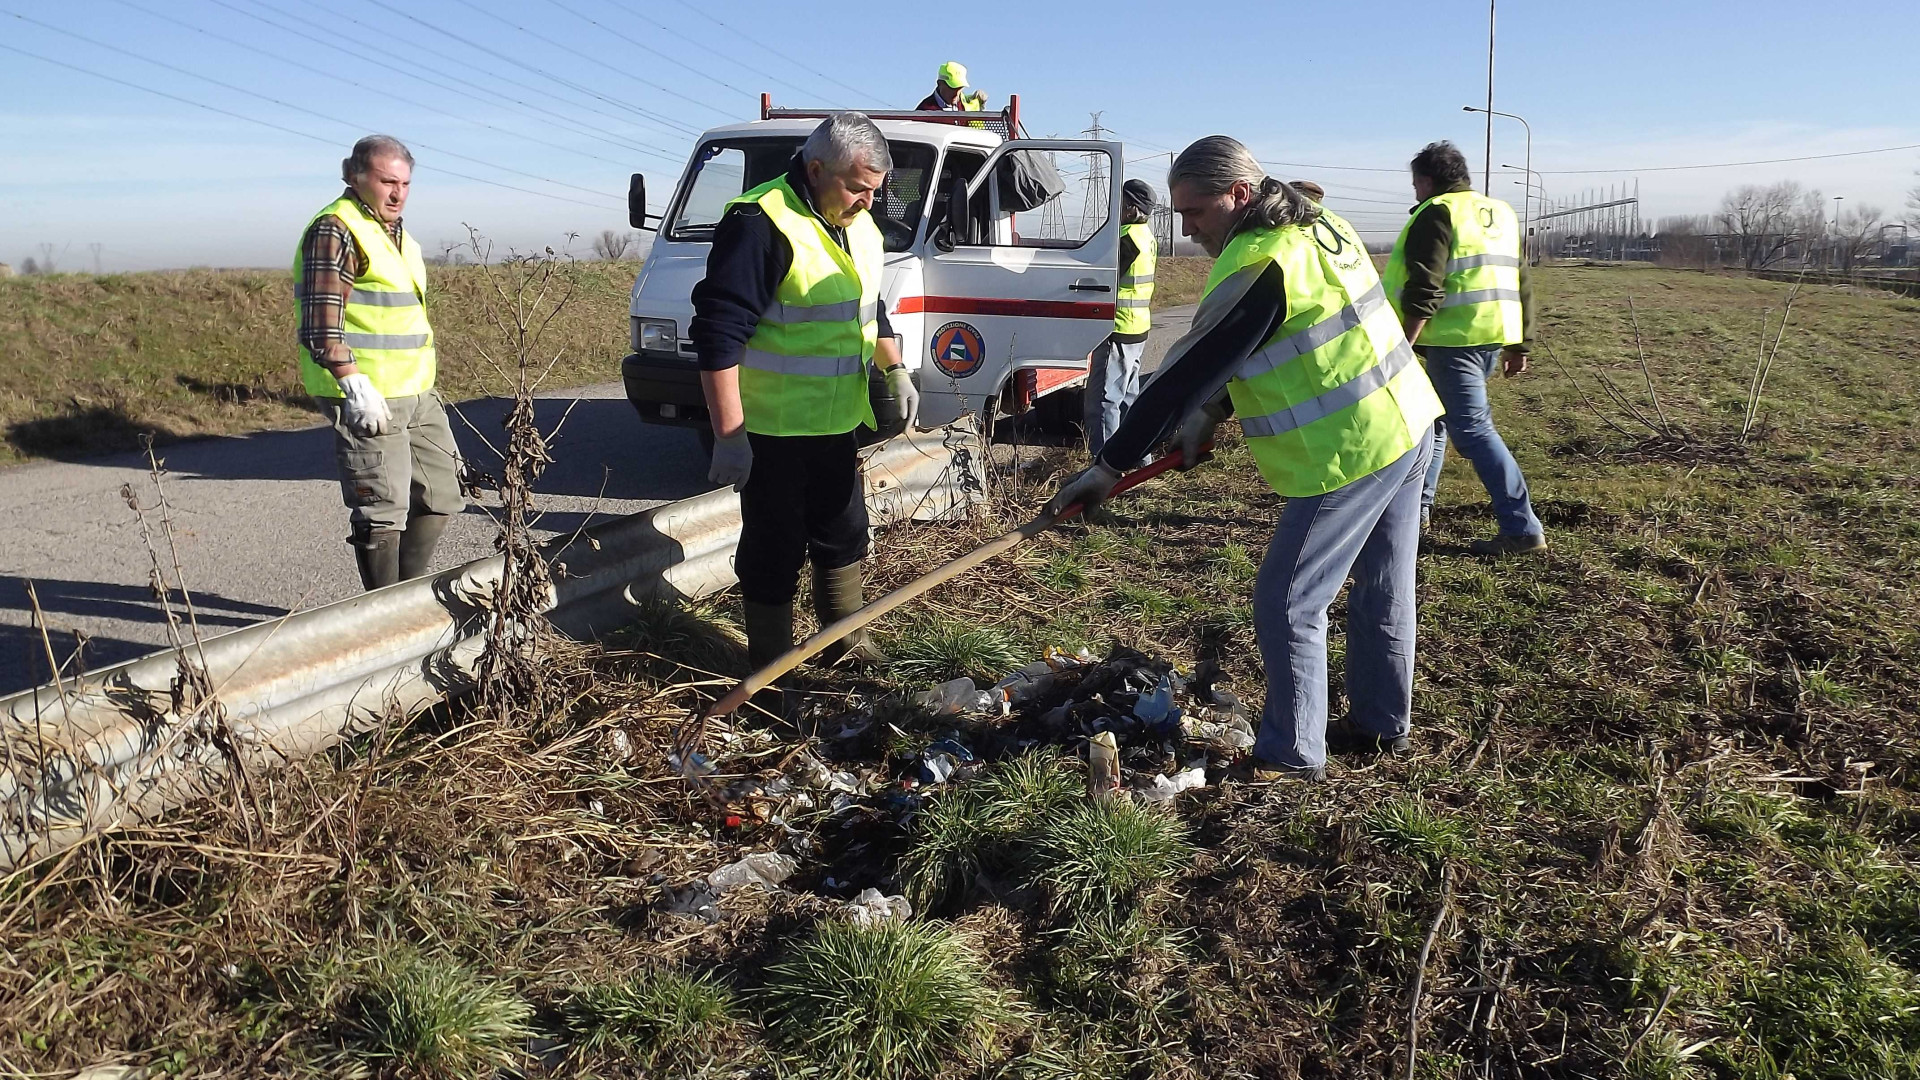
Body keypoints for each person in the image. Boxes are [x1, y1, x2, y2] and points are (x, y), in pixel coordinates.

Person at [1045, 136, 1442, 782]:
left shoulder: (1258, 261)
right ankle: (1378, 724)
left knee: (1288, 603)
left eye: (1195, 212)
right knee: (1383, 588)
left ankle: (1291, 758)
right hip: (1407, 420)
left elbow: (1183, 375)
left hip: (1352, 449)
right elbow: (1286, 340)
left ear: (1237, 194)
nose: (1187, 228)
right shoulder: (1316, 222)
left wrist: (1109, 464)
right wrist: (1212, 414)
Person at [690, 113, 919, 671]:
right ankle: (772, 662)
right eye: (858, 188)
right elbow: (718, 333)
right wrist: (730, 434)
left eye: (876, 190)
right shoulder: (760, 222)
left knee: (843, 535)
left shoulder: (860, 225)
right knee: (774, 550)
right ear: (816, 170)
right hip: (772, 431)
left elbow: (870, 308)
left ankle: (843, 638)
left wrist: (894, 370)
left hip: (839, 422)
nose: (869, 201)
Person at [295, 134, 464, 591]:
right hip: (366, 394)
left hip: (415, 391)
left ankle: (406, 598)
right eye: (387, 181)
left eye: (405, 183)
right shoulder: (336, 229)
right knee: (383, 511)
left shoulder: (398, 234)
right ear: (354, 176)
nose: (397, 193)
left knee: (443, 494)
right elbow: (319, 324)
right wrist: (353, 385)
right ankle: (383, 614)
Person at [1382, 140, 1545, 555]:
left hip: (1454, 342)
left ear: (1427, 180)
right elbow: (1520, 280)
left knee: (1472, 432)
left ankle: (1521, 528)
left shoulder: (1438, 213)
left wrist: (1401, 345)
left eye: (1416, 183)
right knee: (1433, 423)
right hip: (1490, 338)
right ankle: (1418, 511)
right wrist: (1519, 345)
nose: (1415, 191)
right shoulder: (1501, 214)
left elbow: (1425, 287)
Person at [1084, 179, 1158, 459]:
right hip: (1136, 326)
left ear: (1131, 209)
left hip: (1118, 327)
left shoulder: (1126, 238)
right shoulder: (1145, 235)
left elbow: (1099, 279)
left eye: (1120, 202)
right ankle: (1140, 461)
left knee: (1104, 403)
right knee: (1128, 399)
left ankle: (1105, 470)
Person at [916, 61, 987, 113]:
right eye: (952, 87)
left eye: (960, 88)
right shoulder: (924, 111)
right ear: (939, 83)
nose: (956, 94)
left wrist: (980, 105)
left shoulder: (967, 104)